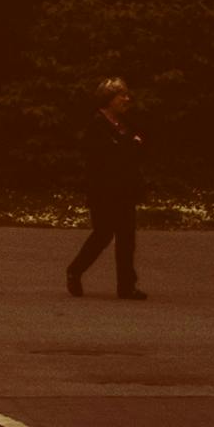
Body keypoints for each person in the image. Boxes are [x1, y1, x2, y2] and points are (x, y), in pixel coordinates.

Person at [66, 75, 145, 297]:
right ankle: (75, 270)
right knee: (103, 234)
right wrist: (130, 146)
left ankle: (126, 286)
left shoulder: (126, 123)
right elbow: (108, 156)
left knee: (127, 237)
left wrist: (130, 147)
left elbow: (136, 149)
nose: (126, 99)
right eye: (122, 95)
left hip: (125, 188)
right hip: (103, 190)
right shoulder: (97, 126)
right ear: (109, 99)